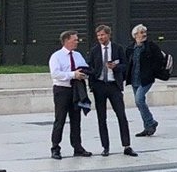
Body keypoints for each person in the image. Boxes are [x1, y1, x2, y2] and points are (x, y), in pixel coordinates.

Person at [88, 23, 136, 156]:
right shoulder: (94, 50)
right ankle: (105, 147)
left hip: (114, 85)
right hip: (99, 85)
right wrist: (92, 82)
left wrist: (115, 67)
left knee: (121, 115)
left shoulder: (117, 48)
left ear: (108, 35)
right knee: (101, 117)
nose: (100, 37)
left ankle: (127, 145)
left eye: (102, 35)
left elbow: (125, 65)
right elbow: (90, 67)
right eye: (98, 35)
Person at [48, 30, 93, 160]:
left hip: (75, 90)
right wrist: (73, 74)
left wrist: (84, 72)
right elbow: (56, 74)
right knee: (60, 119)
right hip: (62, 90)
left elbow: (85, 67)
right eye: (74, 40)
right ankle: (55, 147)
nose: (77, 42)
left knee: (76, 119)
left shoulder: (78, 55)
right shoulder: (56, 56)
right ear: (67, 40)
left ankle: (77, 147)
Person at [125, 22, 168, 138]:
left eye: (144, 32)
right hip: (134, 79)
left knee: (139, 100)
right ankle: (148, 126)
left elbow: (159, 60)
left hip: (146, 79)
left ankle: (150, 122)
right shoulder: (130, 48)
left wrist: (152, 71)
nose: (144, 34)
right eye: (141, 33)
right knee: (139, 103)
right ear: (135, 35)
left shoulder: (151, 46)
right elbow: (127, 63)